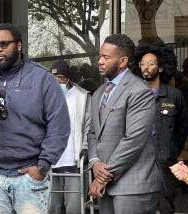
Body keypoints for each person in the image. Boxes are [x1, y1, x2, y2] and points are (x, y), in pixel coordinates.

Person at [0, 23, 70, 213]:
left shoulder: (42, 78)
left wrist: (42, 166)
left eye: (4, 44)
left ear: (18, 46)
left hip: (29, 176)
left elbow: (59, 126)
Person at [87, 34, 162, 214]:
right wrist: (95, 163)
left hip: (133, 187)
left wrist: (102, 177)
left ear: (122, 61)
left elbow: (133, 139)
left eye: (106, 57)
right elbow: (91, 133)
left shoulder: (139, 91)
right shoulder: (98, 93)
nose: (100, 61)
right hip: (105, 187)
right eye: (100, 56)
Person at [132, 43, 188, 214]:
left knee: (165, 207)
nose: (146, 67)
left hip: (165, 163)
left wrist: (170, 151)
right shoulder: (133, 95)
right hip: (138, 163)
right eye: (142, 63)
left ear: (161, 68)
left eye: (151, 63)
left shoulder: (174, 96)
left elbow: (182, 129)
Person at [49, 60, 91, 214]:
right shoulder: (44, 97)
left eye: (60, 77)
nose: (57, 81)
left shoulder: (82, 96)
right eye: (53, 78)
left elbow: (89, 126)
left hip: (74, 163)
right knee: (51, 208)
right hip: (49, 163)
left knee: (74, 208)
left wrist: (85, 147)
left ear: (68, 78)